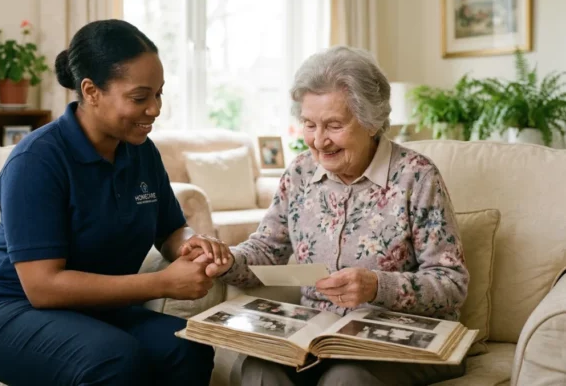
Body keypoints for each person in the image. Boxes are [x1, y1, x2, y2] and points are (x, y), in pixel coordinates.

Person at [0, 19, 231, 386]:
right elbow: (43, 286)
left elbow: (170, 229)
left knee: (188, 347)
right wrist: (162, 283)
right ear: (91, 91)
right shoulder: (37, 161)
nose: (155, 109)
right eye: (140, 97)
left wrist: (191, 245)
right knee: (115, 359)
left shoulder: (142, 153)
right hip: (6, 311)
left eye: (159, 94)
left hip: (93, 312)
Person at [191, 46, 470, 386]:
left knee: (345, 379)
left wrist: (376, 286)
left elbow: (451, 284)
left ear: (372, 122)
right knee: (258, 369)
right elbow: (266, 251)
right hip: (317, 336)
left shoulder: (417, 177)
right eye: (309, 124)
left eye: (334, 125)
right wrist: (225, 260)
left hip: (402, 341)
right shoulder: (300, 173)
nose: (319, 141)